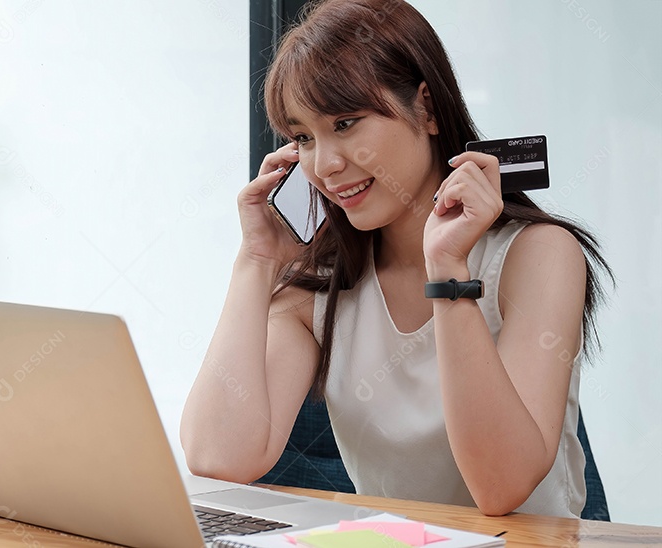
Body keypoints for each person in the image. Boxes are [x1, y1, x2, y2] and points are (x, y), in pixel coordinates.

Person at [179, 0, 611, 518]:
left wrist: (448, 269)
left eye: (346, 123)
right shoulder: (320, 282)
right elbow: (218, 456)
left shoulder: (535, 254)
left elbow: (502, 488)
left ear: (426, 108)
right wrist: (255, 260)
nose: (325, 164)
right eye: (303, 137)